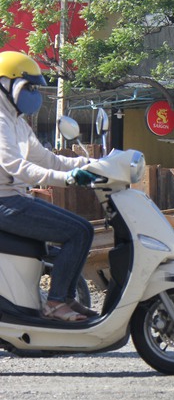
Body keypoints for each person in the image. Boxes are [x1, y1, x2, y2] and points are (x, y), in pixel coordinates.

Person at [0, 51, 97, 322]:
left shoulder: (15, 120)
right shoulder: (1, 120)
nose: (33, 93)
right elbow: (18, 168)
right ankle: (56, 303)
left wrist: (91, 163)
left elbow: (46, 159)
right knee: (79, 232)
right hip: (5, 202)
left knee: (81, 232)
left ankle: (63, 298)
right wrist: (68, 179)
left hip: (16, 199)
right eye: (28, 86)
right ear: (6, 84)